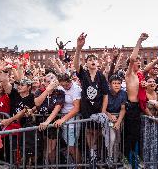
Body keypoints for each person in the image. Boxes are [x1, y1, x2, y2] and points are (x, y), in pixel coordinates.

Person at [73, 32, 109, 166]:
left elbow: (105, 94)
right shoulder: (83, 74)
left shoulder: (101, 76)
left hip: (99, 109)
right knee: (89, 131)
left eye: (95, 59)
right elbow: (76, 65)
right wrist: (78, 48)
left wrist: (103, 111)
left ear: (98, 63)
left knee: (98, 132)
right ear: (87, 63)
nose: (93, 61)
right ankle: (92, 153)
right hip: (86, 109)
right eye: (90, 59)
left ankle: (99, 154)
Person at [124, 32, 150, 165]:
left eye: (140, 62)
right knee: (131, 135)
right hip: (130, 107)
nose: (138, 64)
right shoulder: (129, 74)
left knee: (136, 135)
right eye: (136, 62)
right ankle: (127, 160)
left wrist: (145, 86)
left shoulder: (139, 76)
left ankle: (133, 159)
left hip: (137, 107)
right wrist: (139, 41)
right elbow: (133, 58)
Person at [54, 73, 82, 164]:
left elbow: (76, 108)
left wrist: (63, 119)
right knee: (69, 145)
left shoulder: (76, 89)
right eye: (62, 85)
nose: (65, 87)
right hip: (65, 120)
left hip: (72, 121)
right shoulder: (60, 87)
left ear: (70, 81)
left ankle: (80, 166)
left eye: (67, 85)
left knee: (71, 147)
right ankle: (75, 163)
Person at [102, 74, 127, 164]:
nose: (116, 85)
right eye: (114, 83)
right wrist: (109, 116)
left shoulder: (123, 93)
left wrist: (118, 122)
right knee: (111, 138)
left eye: (119, 83)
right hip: (108, 119)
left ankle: (115, 159)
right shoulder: (106, 93)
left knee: (118, 139)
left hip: (119, 118)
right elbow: (103, 109)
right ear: (110, 84)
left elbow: (123, 109)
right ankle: (109, 157)